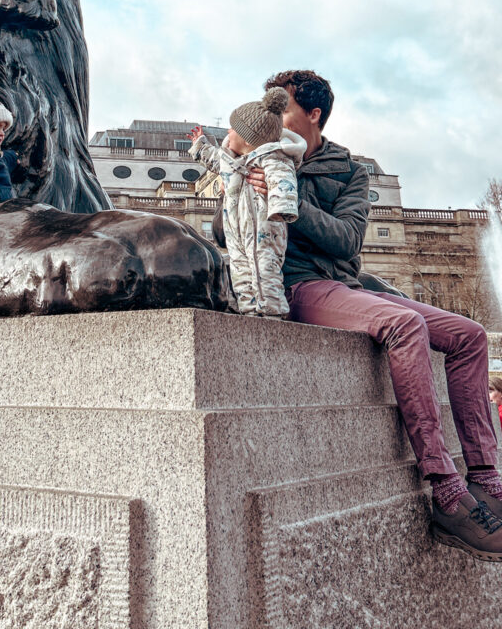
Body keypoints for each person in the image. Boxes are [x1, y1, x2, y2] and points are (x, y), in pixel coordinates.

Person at [246, 69, 502, 561]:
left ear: (313, 114)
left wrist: (288, 198)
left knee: (469, 334)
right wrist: (248, 186)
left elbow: (347, 240)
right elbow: (220, 229)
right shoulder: (261, 153)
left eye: (282, 107)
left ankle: (487, 479)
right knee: (405, 324)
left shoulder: (349, 170)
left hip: (346, 283)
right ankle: (446, 491)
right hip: (295, 284)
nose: (271, 116)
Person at [188, 88, 306, 317]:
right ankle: (250, 312)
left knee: (266, 272)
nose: (228, 132)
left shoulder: (274, 157)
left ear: (247, 138)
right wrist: (200, 145)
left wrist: (283, 208)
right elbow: (213, 158)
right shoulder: (229, 160)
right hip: (236, 234)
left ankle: (272, 313)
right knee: (241, 273)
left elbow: (283, 182)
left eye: (232, 129)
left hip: (265, 232)